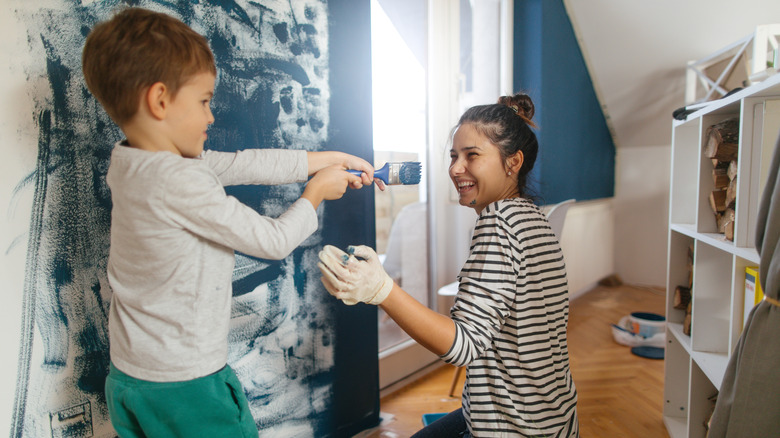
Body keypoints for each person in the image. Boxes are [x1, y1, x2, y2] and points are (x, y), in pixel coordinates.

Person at [81, 7, 375, 438]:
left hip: (131, 378)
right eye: (203, 101)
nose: (211, 116)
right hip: (186, 385)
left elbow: (244, 164)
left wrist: (326, 160)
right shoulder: (180, 181)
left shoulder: (132, 163)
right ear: (160, 100)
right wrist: (315, 194)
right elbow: (273, 240)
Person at [318, 93, 579, 437]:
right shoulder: (533, 218)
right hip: (554, 417)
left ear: (513, 163)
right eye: (454, 156)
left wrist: (380, 290)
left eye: (472, 156)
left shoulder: (498, 223)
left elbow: (463, 346)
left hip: (511, 428)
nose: (455, 168)